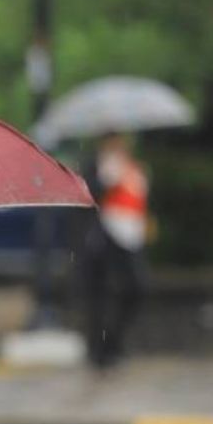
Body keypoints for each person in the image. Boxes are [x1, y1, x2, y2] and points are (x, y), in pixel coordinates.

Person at [82, 132, 150, 368]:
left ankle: (113, 342)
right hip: (103, 237)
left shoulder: (132, 166)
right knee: (100, 295)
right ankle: (99, 351)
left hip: (130, 236)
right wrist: (106, 180)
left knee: (136, 288)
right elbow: (88, 196)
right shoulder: (95, 165)